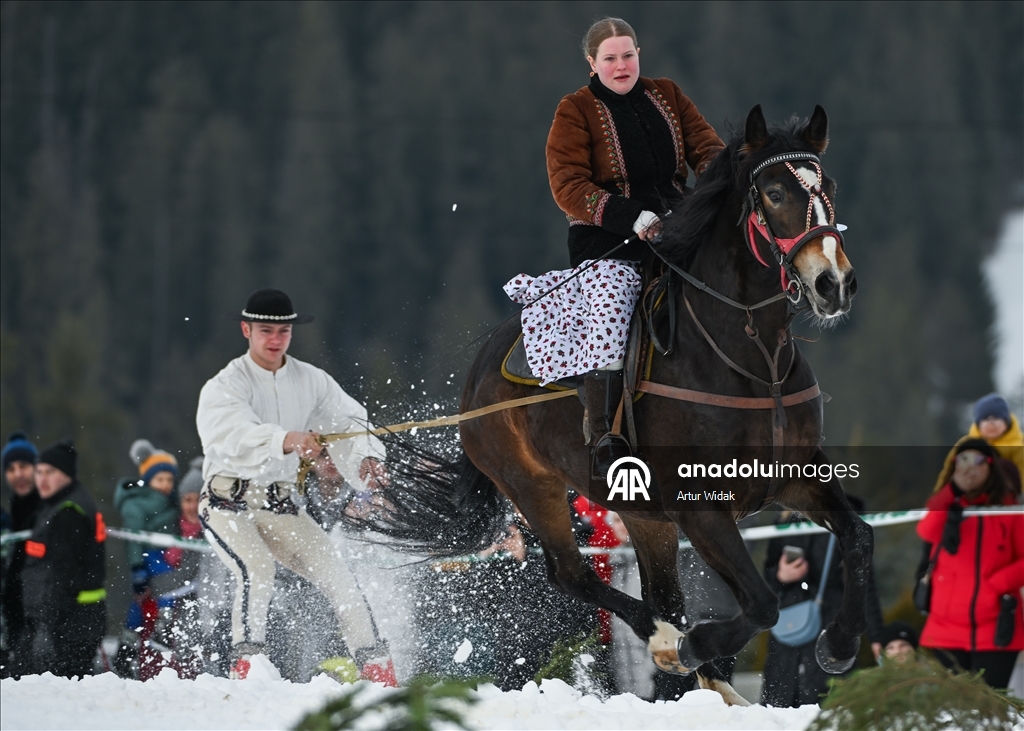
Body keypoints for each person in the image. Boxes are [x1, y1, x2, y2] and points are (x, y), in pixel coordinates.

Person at [503, 16, 724, 477]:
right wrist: (629, 215)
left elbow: (706, 149)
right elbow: (567, 183)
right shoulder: (575, 110)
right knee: (611, 317)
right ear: (591, 64)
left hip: (677, 229)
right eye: (610, 58)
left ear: (638, 54)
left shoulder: (668, 93)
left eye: (628, 55)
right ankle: (605, 434)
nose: (621, 65)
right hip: (609, 240)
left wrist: (731, 178)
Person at [196, 288, 396, 684]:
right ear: (246, 330)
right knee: (257, 568)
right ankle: (247, 668)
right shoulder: (225, 385)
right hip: (227, 503)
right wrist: (285, 439)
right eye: (265, 331)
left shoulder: (312, 381)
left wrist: (368, 459)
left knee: (339, 576)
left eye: (283, 332)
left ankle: (378, 671)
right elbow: (228, 435)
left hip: (284, 506)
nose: (274, 340)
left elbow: (351, 422)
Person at [916, 439, 1023, 689]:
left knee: (989, 712)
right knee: (951, 714)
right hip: (945, 629)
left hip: (996, 629)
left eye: (978, 461)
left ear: (991, 467)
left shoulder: (1010, 511)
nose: (969, 468)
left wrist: (996, 584)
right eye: (962, 460)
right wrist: (952, 489)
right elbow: (926, 531)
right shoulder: (945, 505)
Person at [760, 496, 885, 708]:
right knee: (778, 709)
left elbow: (864, 582)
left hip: (832, 626)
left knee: (831, 705)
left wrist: (877, 636)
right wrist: (781, 575)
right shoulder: (783, 517)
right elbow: (767, 577)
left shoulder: (846, 515)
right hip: (788, 631)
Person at [17, 439, 106, 678]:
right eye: (39, 472)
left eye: (50, 472)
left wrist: (47, 629)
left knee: (56, 699)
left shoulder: (68, 513)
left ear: (66, 475)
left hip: (69, 624)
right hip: (71, 621)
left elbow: (63, 577)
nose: (42, 479)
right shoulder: (57, 504)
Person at [115, 438, 180, 667]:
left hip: (165, 554)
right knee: (165, 584)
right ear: (148, 480)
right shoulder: (137, 504)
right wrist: (137, 570)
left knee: (142, 602)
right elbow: (134, 541)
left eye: (170, 479)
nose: (165, 484)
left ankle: (131, 639)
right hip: (148, 557)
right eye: (159, 479)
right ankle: (160, 626)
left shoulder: (172, 502)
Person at [1, 432, 40, 677]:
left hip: (38, 612)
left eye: (23, 466)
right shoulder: (13, 508)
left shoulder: (46, 504)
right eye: (11, 469)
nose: (18, 475)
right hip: (13, 608)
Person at [933, 393, 1023, 493]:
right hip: (971, 494)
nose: (991, 423)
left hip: (1006, 495)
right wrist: (939, 494)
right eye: (985, 419)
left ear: (1007, 422)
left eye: (996, 418)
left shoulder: (1019, 445)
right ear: (978, 424)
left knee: (1003, 466)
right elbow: (949, 470)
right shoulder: (968, 444)